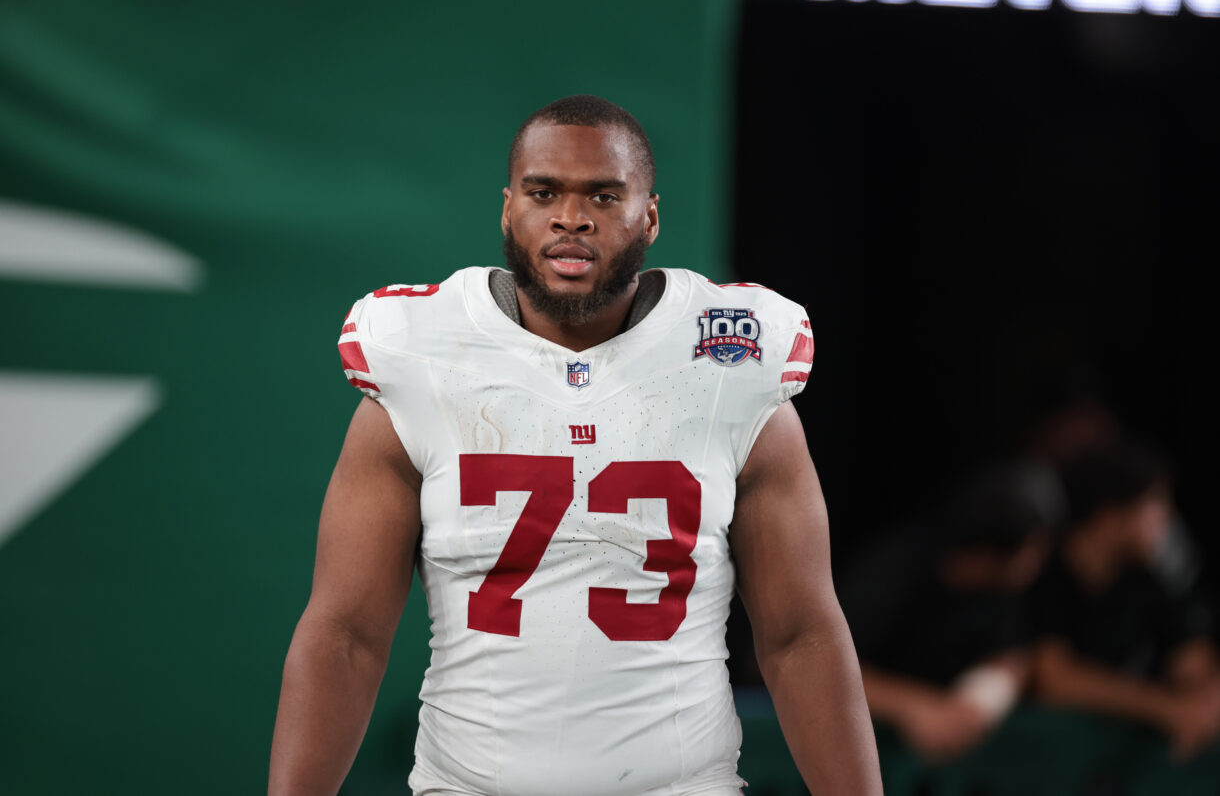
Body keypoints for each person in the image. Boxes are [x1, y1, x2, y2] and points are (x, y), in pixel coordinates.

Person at [268, 95, 882, 796]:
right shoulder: (422, 360)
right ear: (508, 209)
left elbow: (801, 635)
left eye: (604, 194)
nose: (571, 217)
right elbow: (345, 634)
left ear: (649, 214)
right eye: (543, 192)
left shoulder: (730, 370)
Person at [839, 466, 1053, 762]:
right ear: (991, 552)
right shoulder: (893, 572)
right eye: (1036, 546)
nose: (1042, 559)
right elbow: (827, 666)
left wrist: (981, 700)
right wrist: (913, 707)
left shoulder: (1001, 593)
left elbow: (1011, 657)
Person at [1030, 442, 1220, 761]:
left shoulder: (1143, 580)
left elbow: (1192, 661)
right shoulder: (1040, 575)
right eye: (1156, 503)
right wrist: (1164, 708)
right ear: (1110, 517)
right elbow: (1054, 679)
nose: (1167, 520)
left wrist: (1207, 702)